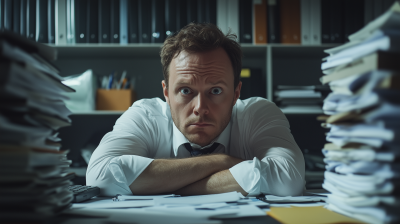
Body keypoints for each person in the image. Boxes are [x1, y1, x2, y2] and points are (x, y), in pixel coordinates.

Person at [87, 23, 305, 197]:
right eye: (185, 90)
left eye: (216, 91)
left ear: (236, 93)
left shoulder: (258, 114)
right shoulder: (145, 115)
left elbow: (290, 178)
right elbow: (100, 176)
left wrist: (165, 184)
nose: (200, 108)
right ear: (166, 93)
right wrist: (223, 161)